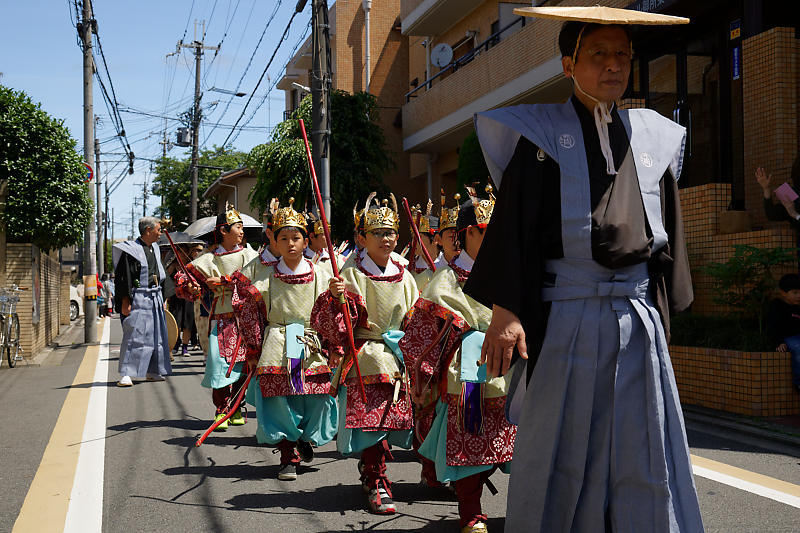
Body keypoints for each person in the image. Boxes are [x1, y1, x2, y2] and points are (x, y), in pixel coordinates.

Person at [464, 6, 703, 532]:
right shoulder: (540, 138)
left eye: (623, 54)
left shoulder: (654, 138)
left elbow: (668, 243)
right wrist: (507, 310)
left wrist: (664, 317)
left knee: (645, 446)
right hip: (568, 316)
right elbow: (517, 227)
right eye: (599, 54)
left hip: (638, 319)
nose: (614, 65)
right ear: (568, 62)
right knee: (562, 446)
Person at [400, 187, 516, 533]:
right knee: (470, 435)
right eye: (488, 232)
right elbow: (419, 336)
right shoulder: (444, 283)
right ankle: (471, 511)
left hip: (512, 373)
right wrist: (422, 379)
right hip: (468, 374)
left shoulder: (511, 274)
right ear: (468, 234)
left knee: (520, 439)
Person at [311, 193, 418, 515]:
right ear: (361, 238)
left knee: (398, 421)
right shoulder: (351, 274)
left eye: (391, 233)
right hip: (366, 356)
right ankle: (376, 480)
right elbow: (330, 325)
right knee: (373, 424)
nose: (386, 239)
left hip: (398, 356)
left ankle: (382, 474)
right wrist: (336, 300)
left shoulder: (405, 272)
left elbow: (416, 314)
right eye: (378, 233)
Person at [230, 199, 338, 481]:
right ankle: (288, 451)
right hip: (279, 342)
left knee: (315, 398)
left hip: (310, 343)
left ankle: (304, 436)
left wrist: (338, 297)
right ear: (275, 242)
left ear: (305, 242)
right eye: (284, 238)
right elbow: (251, 312)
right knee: (282, 398)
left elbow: (332, 312)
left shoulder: (323, 274)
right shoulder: (265, 277)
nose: (291, 244)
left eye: (296, 238)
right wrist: (253, 348)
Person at [175, 205, 259, 430]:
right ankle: (221, 409)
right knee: (220, 364)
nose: (241, 232)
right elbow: (185, 278)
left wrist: (224, 282)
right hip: (221, 320)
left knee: (242, 366)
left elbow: (257, 281)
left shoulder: (251, 256)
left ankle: (237, 407)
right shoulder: (209, 259)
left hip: (247, 321)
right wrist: (193, 287)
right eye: (237, 227)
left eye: (242, 228)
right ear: (224, 230)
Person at [112, 217, 172, 387]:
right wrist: (125, 300)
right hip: (138, 296)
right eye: (158, 229)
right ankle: (126, 373)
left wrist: (164, 297)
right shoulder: (131, 250)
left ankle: (153, 371)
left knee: (156, 336)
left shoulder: (155, 249)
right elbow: (125, 277)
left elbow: (163, 275)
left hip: (155, 296)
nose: (160, 233)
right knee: (135, 335)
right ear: (148, 230)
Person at [766, 274, 800, 392]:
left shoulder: (798, 307)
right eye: (795, 293)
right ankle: (799, 383)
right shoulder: (777, 306)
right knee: (798, 347)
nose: (798, 296)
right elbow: (773, 326)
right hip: (787, 338)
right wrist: (778, 342)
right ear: (783, 293)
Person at [408, 201, 440, 292]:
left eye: (418, 237)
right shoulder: (408, 270)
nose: (413, 242)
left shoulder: (447, 266)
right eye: (412, 237)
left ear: (435, 239)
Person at [436, 190, 460, 269]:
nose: (457, 242)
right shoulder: (431, 273)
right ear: (439, 240)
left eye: (460, 236)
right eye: (451, 237)